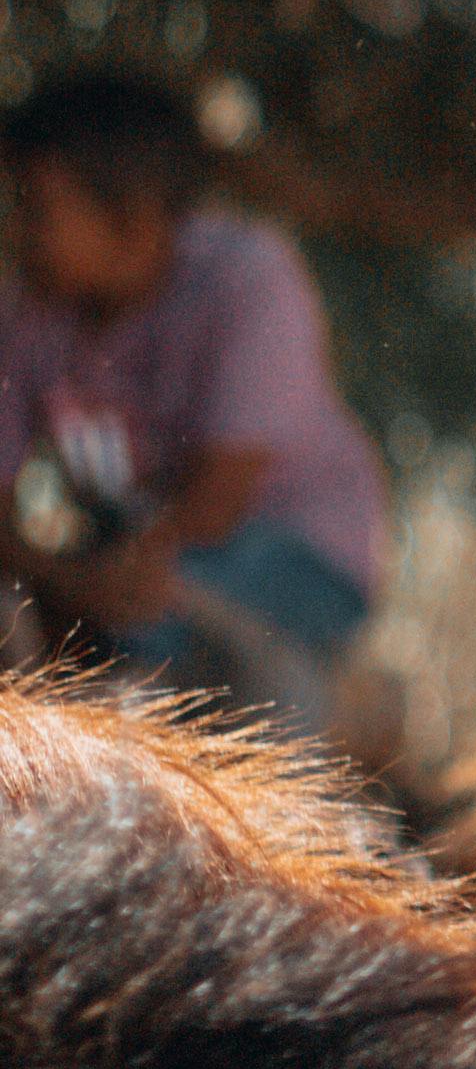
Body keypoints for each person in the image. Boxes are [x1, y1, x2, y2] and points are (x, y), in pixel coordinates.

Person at [0, 74, 390, 723]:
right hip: (134, 562)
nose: (16, 228)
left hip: (299, 559)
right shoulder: (30, 308)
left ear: (130, 215)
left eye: (36, 206)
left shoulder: (248, 278)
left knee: (149, 629)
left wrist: (89, 585)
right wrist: (70, 580)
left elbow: (216, 505)